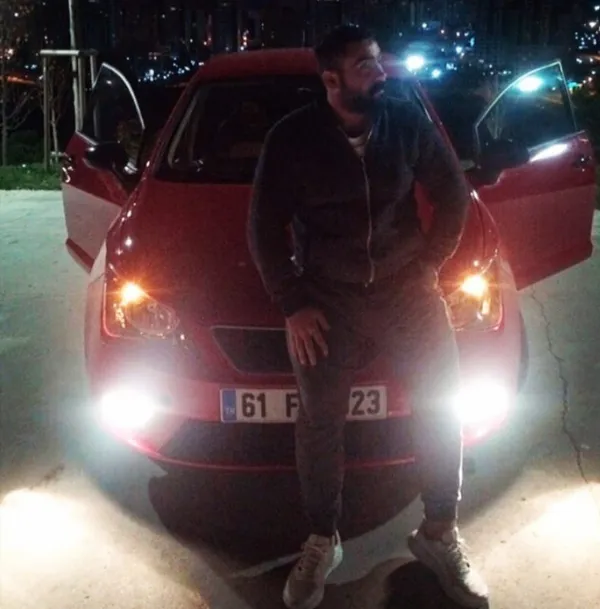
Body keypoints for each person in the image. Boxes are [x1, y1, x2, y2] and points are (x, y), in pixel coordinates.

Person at [247, 24, 489, 609]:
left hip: (407, 291)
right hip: (328, 299)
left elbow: (453, 192)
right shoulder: (292, 139)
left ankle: (439, 532)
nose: (381, 74)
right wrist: (293, 302)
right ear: (332, 80)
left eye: (378, 62)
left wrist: (429, 264)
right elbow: (262, 227)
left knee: (441, 404)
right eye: (365, 66)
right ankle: (321, 539)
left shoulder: (405, 122)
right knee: (320, 420)